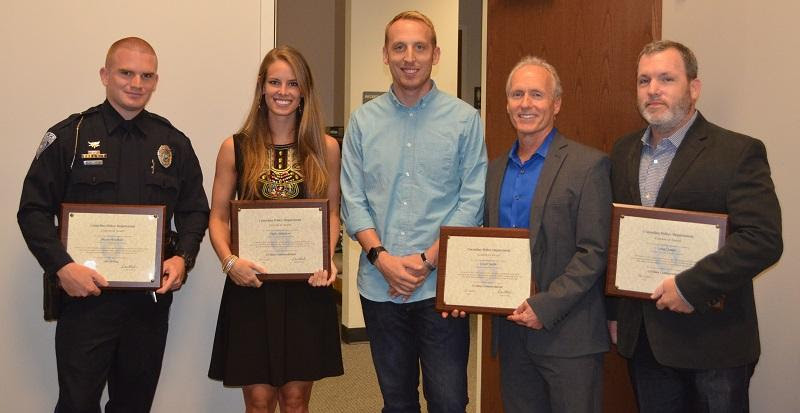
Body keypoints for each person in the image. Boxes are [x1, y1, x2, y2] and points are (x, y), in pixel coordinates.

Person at [17, 37, 209, 412]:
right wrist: (62, 267)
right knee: (77, 404)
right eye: (126, 73)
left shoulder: (173, 143)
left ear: (156, 81)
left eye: (146, 76)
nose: (136, 83)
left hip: (148, 304)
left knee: (134, 405)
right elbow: (33, 211)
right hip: (86, 300)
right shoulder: (69, 137)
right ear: (105, 75)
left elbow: (194, 210)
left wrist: (182, 259)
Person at [607, 40, 783, 412]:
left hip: (714, 345)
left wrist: (689, 287)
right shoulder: (622, 152)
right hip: (645, 343)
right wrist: (614, 311)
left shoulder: (737, 152)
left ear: (694, 88)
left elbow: (762, 240)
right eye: (644, 80)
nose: (653, 89)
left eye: (666, 79)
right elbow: (615, 238)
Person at [340, 10, 487, 413]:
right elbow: (353, 200)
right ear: (385, 55)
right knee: (397, 401)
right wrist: (382, 259)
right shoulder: (362, 122)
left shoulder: (465, 121)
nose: (409, 57)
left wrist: (427, 260)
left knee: (449, 401)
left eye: (420, 47)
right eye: (399, 47)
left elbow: (472, 201)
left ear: (435, 54)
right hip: (379, 287)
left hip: (441, 289)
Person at [207, 45, 343, 413]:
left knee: (296, 401)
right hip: (251, 286)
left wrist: (326, 259)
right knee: (259, 401)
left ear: (304, 91)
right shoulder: (235, 147)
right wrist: (230, 262)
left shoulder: (325, 148)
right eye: (275, 82)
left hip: (305, 286)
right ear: (262, 87)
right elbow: (218, 217)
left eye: (293, 83)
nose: (283, 91)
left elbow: (331, 213)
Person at [481, 56, 611, 412]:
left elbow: (594, 251)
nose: (526, 104)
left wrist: (545, 306)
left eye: (536, 94)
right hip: (512, 332)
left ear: (556, 104)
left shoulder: (588, 165)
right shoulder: (494, 170)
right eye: (517, 94)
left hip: (569, 335)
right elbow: (485, 244)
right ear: (507, 104)